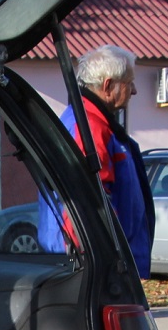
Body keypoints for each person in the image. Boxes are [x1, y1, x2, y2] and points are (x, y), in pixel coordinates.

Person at [35, 44, 154, 278]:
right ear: (108, 86)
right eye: (129, 83)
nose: (135, 91)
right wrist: (99, 266)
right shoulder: (88, 130)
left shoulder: (95, 125)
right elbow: (82, 203)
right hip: (97, 269)